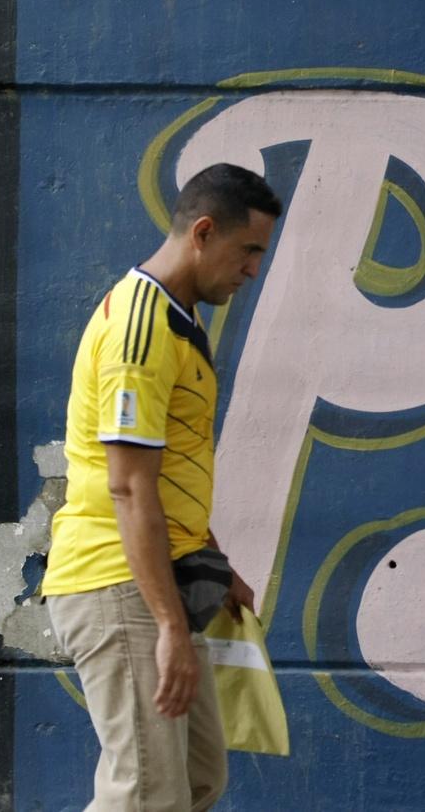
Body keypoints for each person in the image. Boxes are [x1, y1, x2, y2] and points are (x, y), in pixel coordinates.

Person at [42, 163, 282, 810]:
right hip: (117, 582)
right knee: (147, 793)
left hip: (156, 578)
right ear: (204, 231)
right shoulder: (142, 329)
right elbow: (127, 487)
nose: (254, 269)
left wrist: (213, 554)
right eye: (249, 250)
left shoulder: (179, 320)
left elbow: (168, 467)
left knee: (199, 777)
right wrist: (169, 625)